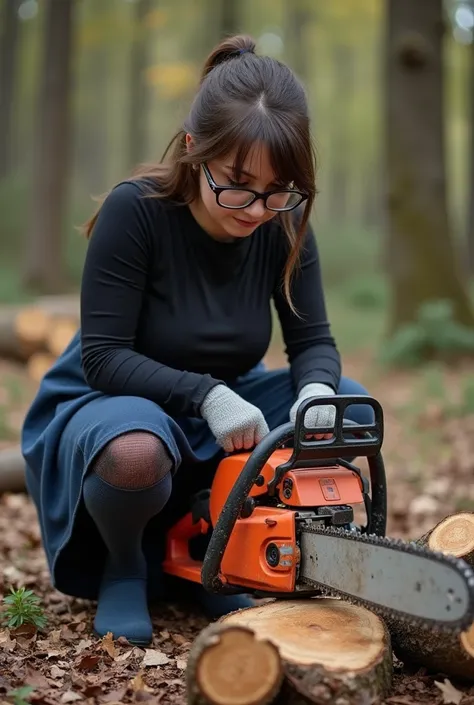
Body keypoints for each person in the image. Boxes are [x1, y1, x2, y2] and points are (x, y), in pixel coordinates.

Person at [21, 34, 373, 647]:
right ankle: (125, 564)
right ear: (194, 149)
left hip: (227, 403)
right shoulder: (138, 211)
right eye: (237, 183)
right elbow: (104, 357)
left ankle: (218, 553)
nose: (257, 208)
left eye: (279, 188)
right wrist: (207, 395)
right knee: (135, 451)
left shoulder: (283, 223)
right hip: (111, 403)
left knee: (346, 401)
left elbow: (312, 340)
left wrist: (314, 390)